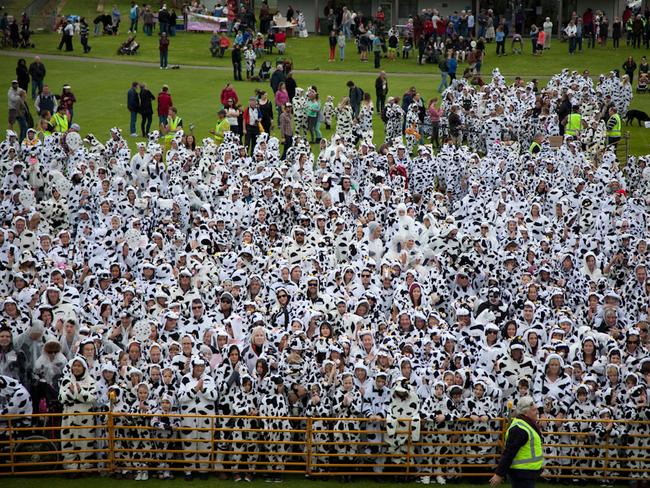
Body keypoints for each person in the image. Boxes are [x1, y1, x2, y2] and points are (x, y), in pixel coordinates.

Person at [490, 396, 543, 488]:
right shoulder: (519, 428)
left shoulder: (525, 425)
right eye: (534, 410)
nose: (537, 412)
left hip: (526, 473)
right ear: (526, 413)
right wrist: (499, 474)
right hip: (522, 474)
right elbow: (508, 453)